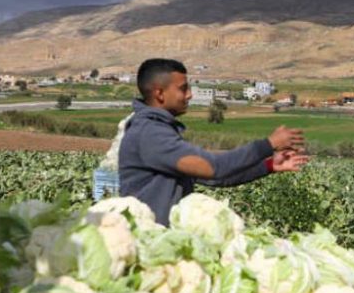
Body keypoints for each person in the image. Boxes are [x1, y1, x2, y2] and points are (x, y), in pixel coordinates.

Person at [119, 58, 309, 225]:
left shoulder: (159, 131)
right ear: (159, 93)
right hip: (149, 242)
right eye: (183, 89)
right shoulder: (150, 134)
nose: (189, 95)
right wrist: (268, 145)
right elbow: (215, 167)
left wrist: (269, 165)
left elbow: (216, 177)